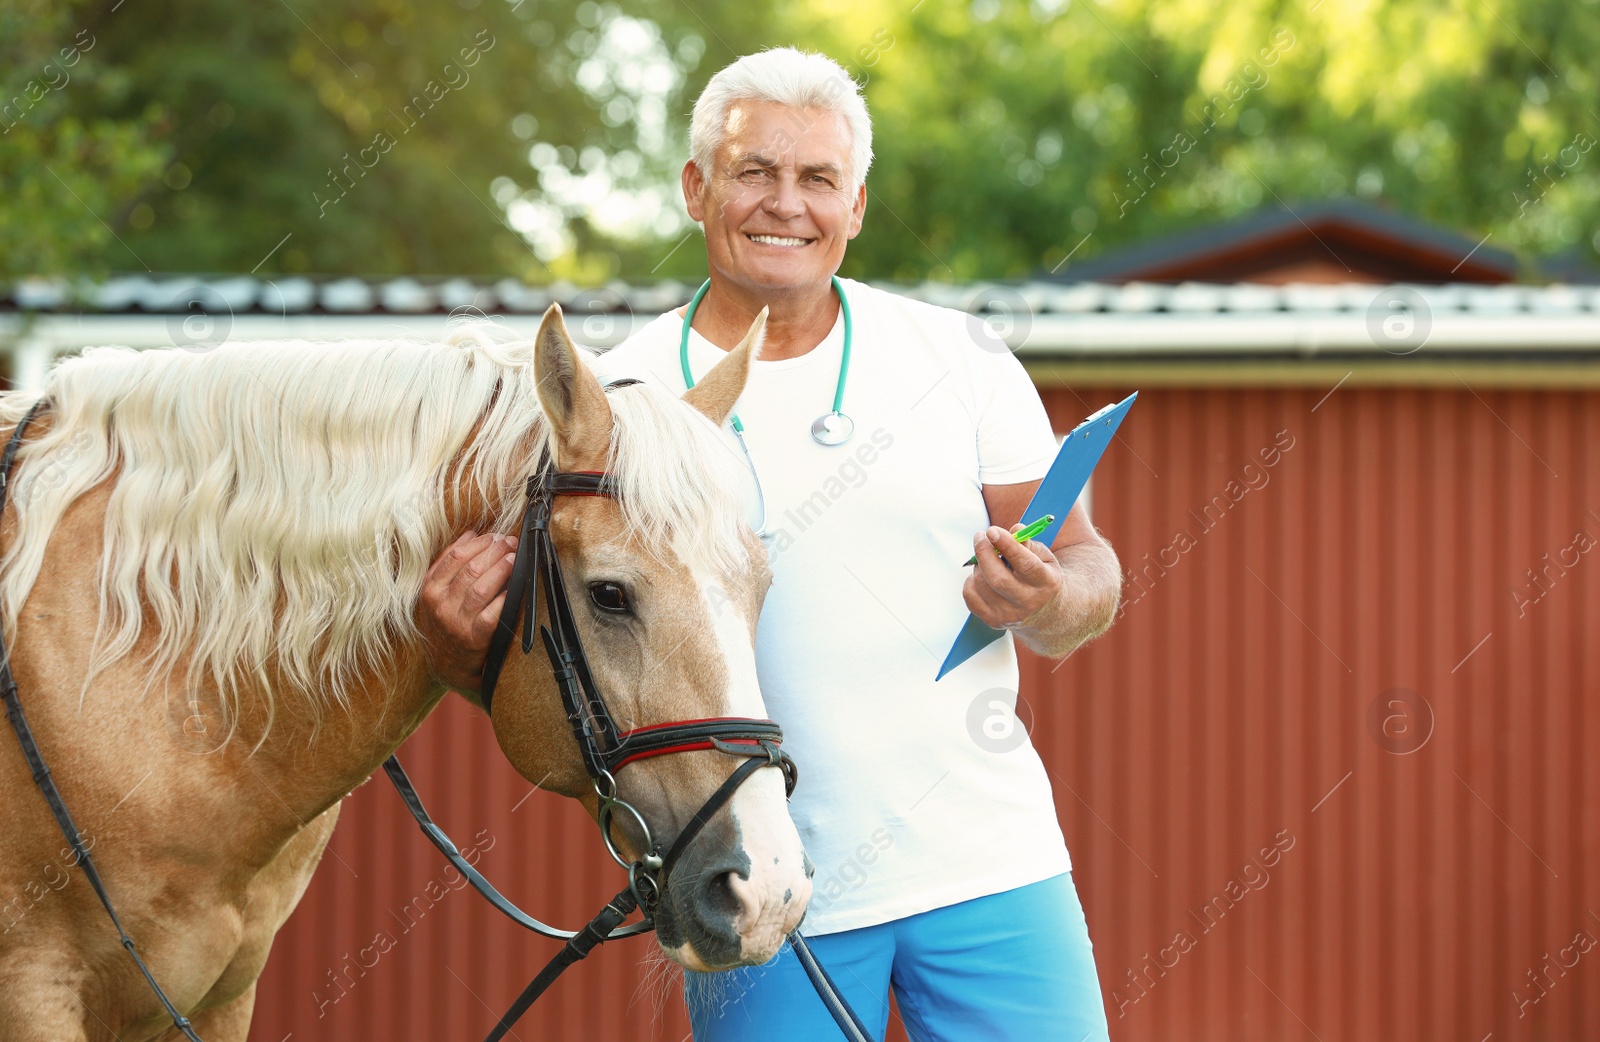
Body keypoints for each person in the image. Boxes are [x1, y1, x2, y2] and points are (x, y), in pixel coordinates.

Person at [417, 47, 1123, 1042]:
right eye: (754, 172)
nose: (785, 204)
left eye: (817, 179)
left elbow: (1089, 573)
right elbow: (549, 662)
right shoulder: (609, 397)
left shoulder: (957, 356)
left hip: (989, 869)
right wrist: (455, 649)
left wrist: (1049, 596)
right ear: (697, 189)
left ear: (857, 204)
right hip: (753, 882)